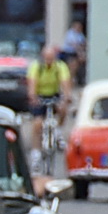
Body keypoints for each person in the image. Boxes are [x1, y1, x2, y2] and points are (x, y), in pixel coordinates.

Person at [24, 44, 73, 174]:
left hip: (54, 94)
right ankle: (36, 154)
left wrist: (67, 97)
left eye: (51, 59)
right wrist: (32, 96)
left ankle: (58, 131)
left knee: (63, 109)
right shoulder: (36, 66)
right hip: (40, 96)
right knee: (37, 124)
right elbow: (32, 83)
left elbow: (65, 82)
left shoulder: (60, 66)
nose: (49, 62)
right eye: (47, 59)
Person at [61, 20, 88, 84]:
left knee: (77, 67)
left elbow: (83, 43)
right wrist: (81, 53)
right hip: (69, 53)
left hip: (76, 53)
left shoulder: (80, 34)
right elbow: (74, 45)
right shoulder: (70, 34)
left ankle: (75, 79)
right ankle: (68, 81)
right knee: (72, 67)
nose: (79, 28)